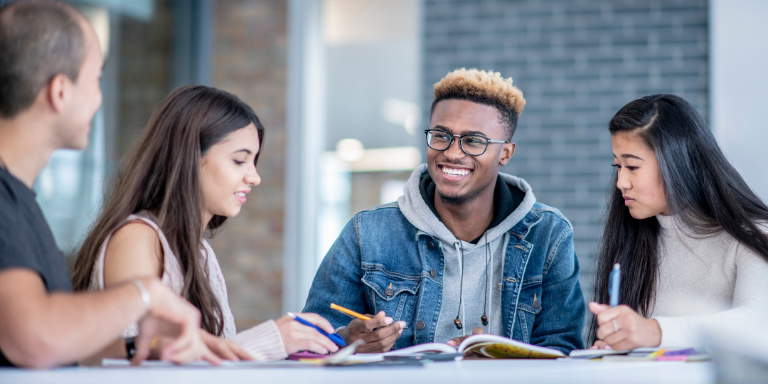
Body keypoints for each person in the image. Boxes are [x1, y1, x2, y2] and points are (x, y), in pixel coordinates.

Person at [303, 68, 585, 354]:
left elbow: (562, 350)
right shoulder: (368, 232)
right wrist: (347, 342)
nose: (452, 153)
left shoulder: (548, 234)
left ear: (506, 153)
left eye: (474, 141)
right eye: (441, 136)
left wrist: (500, 360)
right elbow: (312, 340)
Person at [0, 0, 218, 368]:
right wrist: (144, 293)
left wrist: (144, 347)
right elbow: (33, 339)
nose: (99, 99)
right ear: (60, 91)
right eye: (96, 79)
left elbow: (52, 341)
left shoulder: (20, 203)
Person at [71, 85, 340, 362]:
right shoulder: (137, 238)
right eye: (239, 160)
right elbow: (147, 361)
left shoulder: (200, 252)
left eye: (254, 161)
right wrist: (274, 338)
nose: (254, 177)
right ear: (189, 158)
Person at [589, 94, 768, 351]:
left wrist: (653, 332)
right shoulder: (635, 239)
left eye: (632, 166)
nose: (620, 183)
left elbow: (757, 322)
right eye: (617, 166)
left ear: (676, 161)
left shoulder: (753, 234)